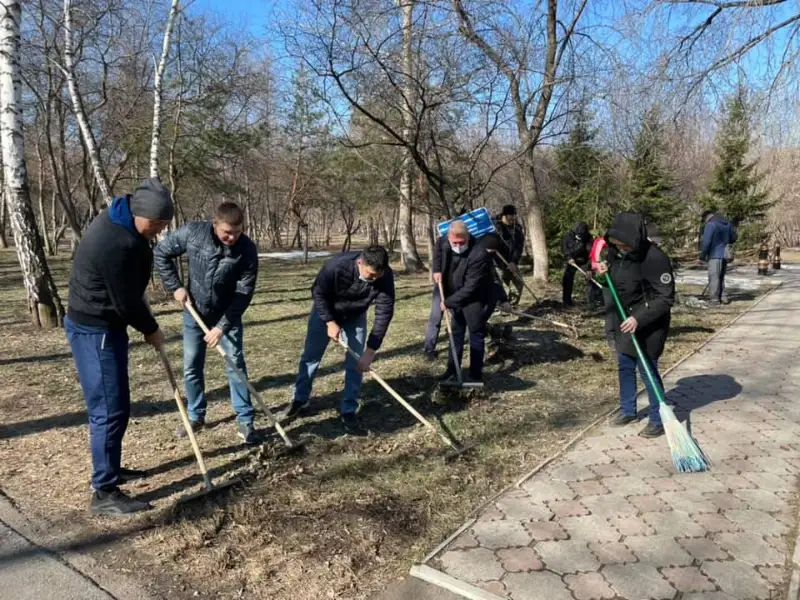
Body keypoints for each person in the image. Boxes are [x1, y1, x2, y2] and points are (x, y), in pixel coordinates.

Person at [65, 177, 173, 516]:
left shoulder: (122, 218)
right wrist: (151, 329)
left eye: (163, 225)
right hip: (94, 329)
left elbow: (128, 291)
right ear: (140, 213)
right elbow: (126, 301)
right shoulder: (116, 242)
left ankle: (110, 468)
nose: (157, 231)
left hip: (106, 324)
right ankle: (104, 492)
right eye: (155, 224)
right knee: (108, 410)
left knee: (118, 406)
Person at [154, 202, 259, 444]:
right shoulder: (193, 233)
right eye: (226, 232)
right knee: (192, 365)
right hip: (195, 312)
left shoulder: (247, 249)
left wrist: (222, 327)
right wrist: (175, 287)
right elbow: (161, 253)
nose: (232, 237)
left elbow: (244, 293)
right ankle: (195, 416)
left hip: (228, 315)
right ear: (215, 225)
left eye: (237, 232)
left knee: (235, 365)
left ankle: (245, 420)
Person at [286, 246, 395, 435]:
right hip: (325, 313)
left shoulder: (384, 276)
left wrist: (370, 351)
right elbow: (318, 292)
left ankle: (349, 410)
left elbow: (384, 312)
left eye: (377, 276)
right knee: (311, 357)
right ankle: (300, 400)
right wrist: (329, 321)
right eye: (370, 275)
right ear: (360, 262)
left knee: (356, 363)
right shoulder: (336, 266)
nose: (373, 280)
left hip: (355, 316)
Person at [597, 212, 675, 438]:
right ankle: (628, 410)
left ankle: (658, 418)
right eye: (616, 244)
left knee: (647, 369)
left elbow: (665, 298)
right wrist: (602, 275)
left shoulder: (655, 258)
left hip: (650, 323)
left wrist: (639, 318)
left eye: (624, 245)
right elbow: (609, 283)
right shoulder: (613, 253)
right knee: (624, 364)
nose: (620, 248)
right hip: (624, 319)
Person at [435, 221, 494, 383]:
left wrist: (448, 302)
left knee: (475, 333)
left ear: (468, 237)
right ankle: (452, 370)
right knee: (456, 333)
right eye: (455, 243)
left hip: (476, 298)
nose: (459, 246)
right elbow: (438, 253)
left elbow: (471, 287)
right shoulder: (443, 241)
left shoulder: (479, 253)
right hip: (455, 294)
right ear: (449, 237)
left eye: (462, 243)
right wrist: (436, 270)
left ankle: (475, 375)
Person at [700, 210, 737, 306]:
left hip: (714, 254)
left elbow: (706, 242)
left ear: (706, 217)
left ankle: (714, 300)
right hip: (725, 254)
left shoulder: (711, 224)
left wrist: (702, 256)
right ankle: (723, 297)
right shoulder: (727, 224)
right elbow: (734, 238)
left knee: (714, 277)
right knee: (721, 277)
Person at [494, 205, 525, 305]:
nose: (513, 217)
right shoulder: (495, 227)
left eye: (515, 215)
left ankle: (511, 305)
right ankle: (501, 306)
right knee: (501, 286)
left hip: (511, 261)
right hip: (497, 262)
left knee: (519, 283)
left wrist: (514, 262)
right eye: (511, 215)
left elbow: (519, 248)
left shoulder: (517, 229)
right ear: (504, 215)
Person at [561, 222, 594, 307]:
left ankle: (591, 302)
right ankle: (567, 302)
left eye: (581, 236)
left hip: (584, 261)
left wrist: (590, 269)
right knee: (567, 278)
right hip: (572, 261)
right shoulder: (567, 237)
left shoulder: (589, 239)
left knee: (591, 279)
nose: (579, 237)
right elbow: (565, 249)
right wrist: (569, 258)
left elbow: (592, 254)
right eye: (578, 235)